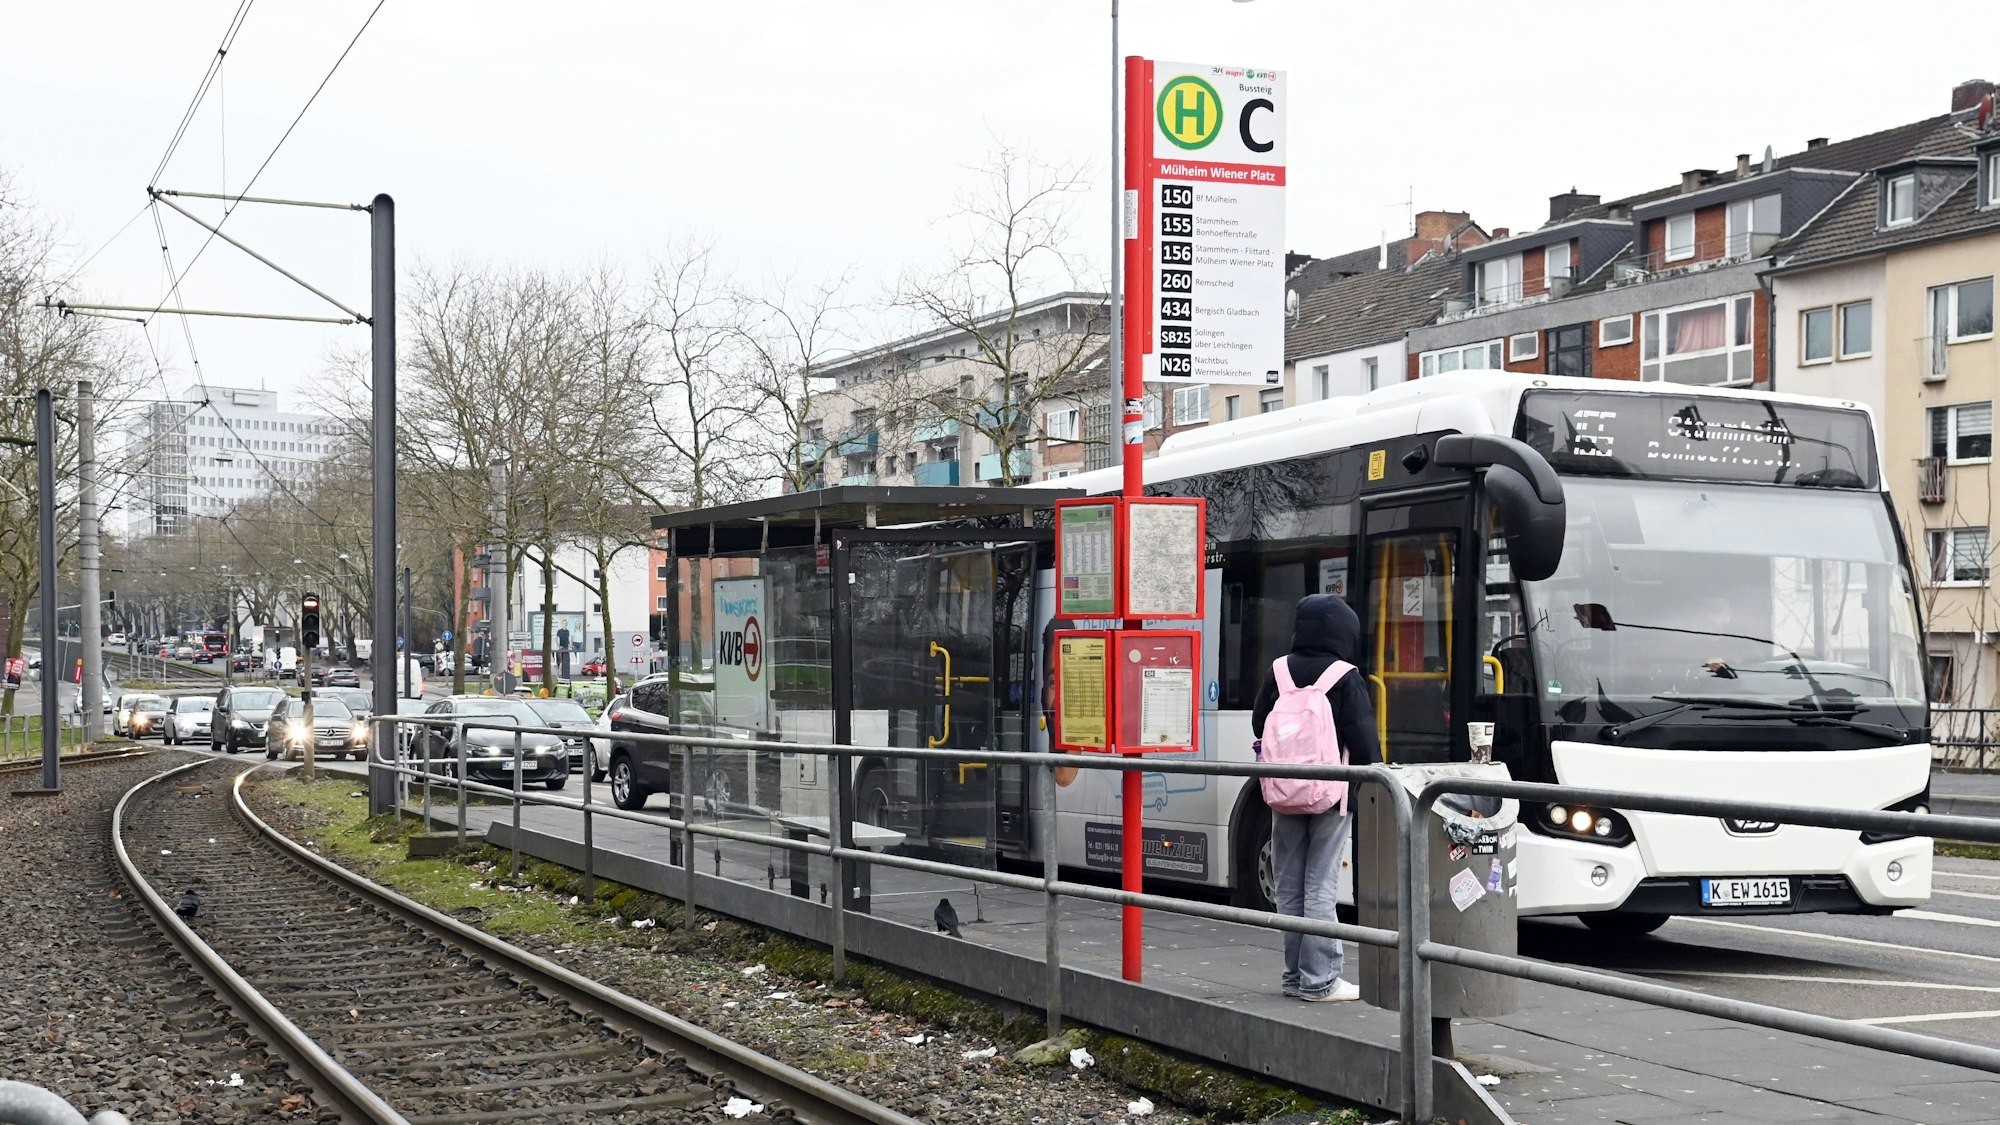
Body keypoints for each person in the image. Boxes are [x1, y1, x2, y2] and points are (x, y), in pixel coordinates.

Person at [1250, 594, 1381, 1003]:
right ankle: (1321, 980)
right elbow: (1364, 743)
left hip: (1283, 791)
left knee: (1288, 885)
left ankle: (1295, 976)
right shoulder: (1345, 675)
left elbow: (1259, 722)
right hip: (1329, 794)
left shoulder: (1278, 671)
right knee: (1320, 884)